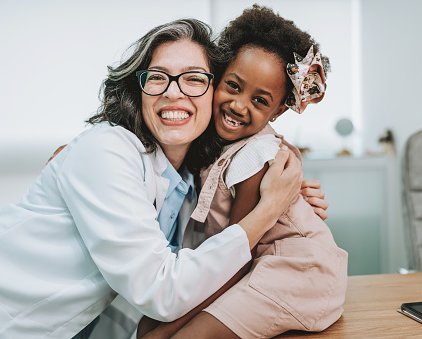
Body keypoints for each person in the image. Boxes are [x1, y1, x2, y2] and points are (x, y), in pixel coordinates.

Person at [0, 18, 306, 339]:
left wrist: (290, 176)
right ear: (137, 91)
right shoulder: (105, 150)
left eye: (194, 78)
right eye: (157, 77)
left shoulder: (187, 182)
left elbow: (180, 274)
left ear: (213, 92)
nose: (174, 92)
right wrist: (270, 207)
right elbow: (160, 292)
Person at [137, 6, 348, 339]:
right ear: (216, 79)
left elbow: (237, 252)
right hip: (250, 265)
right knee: (149, 325)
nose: (239, 105)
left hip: (294, 273)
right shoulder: (209, 142)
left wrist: (169, 327)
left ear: (278, 111)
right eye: (233, 86)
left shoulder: (257, 158)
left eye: (260, 100)